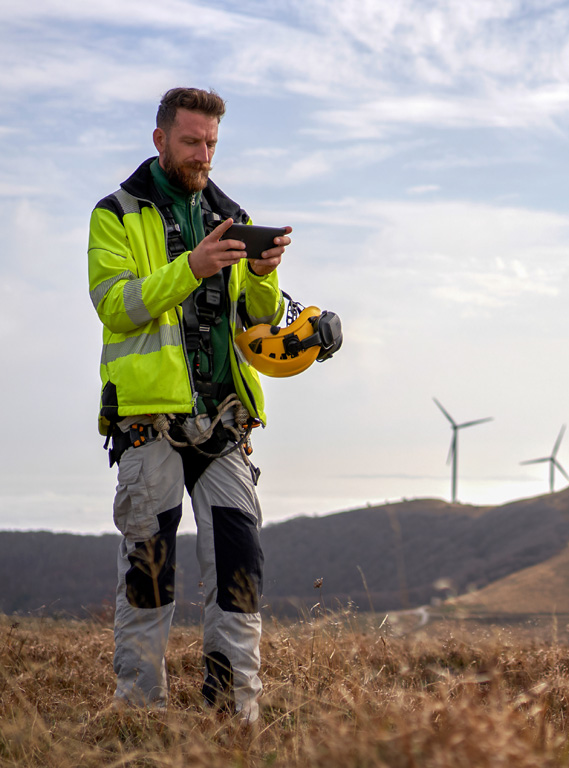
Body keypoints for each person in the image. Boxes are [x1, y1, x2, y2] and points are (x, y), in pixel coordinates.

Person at [87, 87, 290, 721]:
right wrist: (193, 267)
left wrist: (262, 274)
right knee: (149, 574)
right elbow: (116, 305)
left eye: (211, 144)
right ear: (159, 140)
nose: (203, 155)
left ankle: (232, 716)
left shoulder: (232, 212)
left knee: (240, 568)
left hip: (226, 421)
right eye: (191, 142)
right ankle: (139, 717)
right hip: (149, 424)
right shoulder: (115, 213)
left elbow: (257, 321)